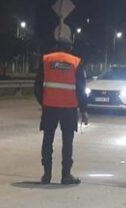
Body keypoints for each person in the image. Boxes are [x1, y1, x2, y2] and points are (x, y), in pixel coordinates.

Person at [34, 42, 89, 185]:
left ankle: (46, 174)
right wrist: (83, 109)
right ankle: (66, 175)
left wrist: (44, 102)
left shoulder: (46, 60)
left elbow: (37, 86)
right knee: (67, 141)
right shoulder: (75, 62)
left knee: (47, 139)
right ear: (69, 49)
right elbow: (81, 88)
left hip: (50, 107)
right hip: (69, 108)